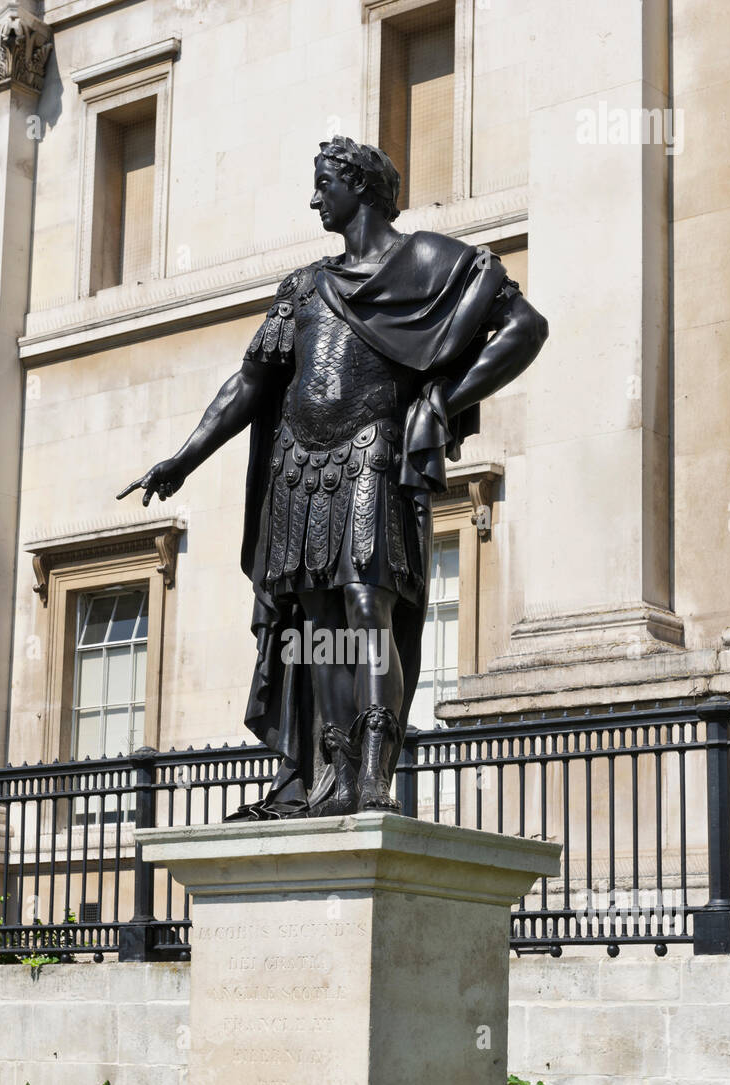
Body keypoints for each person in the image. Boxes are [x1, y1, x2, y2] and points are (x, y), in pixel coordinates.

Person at [119, 136, 548, 817]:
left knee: (366, 606)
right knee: (317, 622)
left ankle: (376, 774)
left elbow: (523, 327)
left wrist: (443, 398)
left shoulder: (431, 261)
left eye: (324, 183)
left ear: (361, 187)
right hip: (299, 464)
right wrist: (184, 456)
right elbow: (251, 382)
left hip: (370, 451)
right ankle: (333, 774)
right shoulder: (303, 285)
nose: (315, 197)